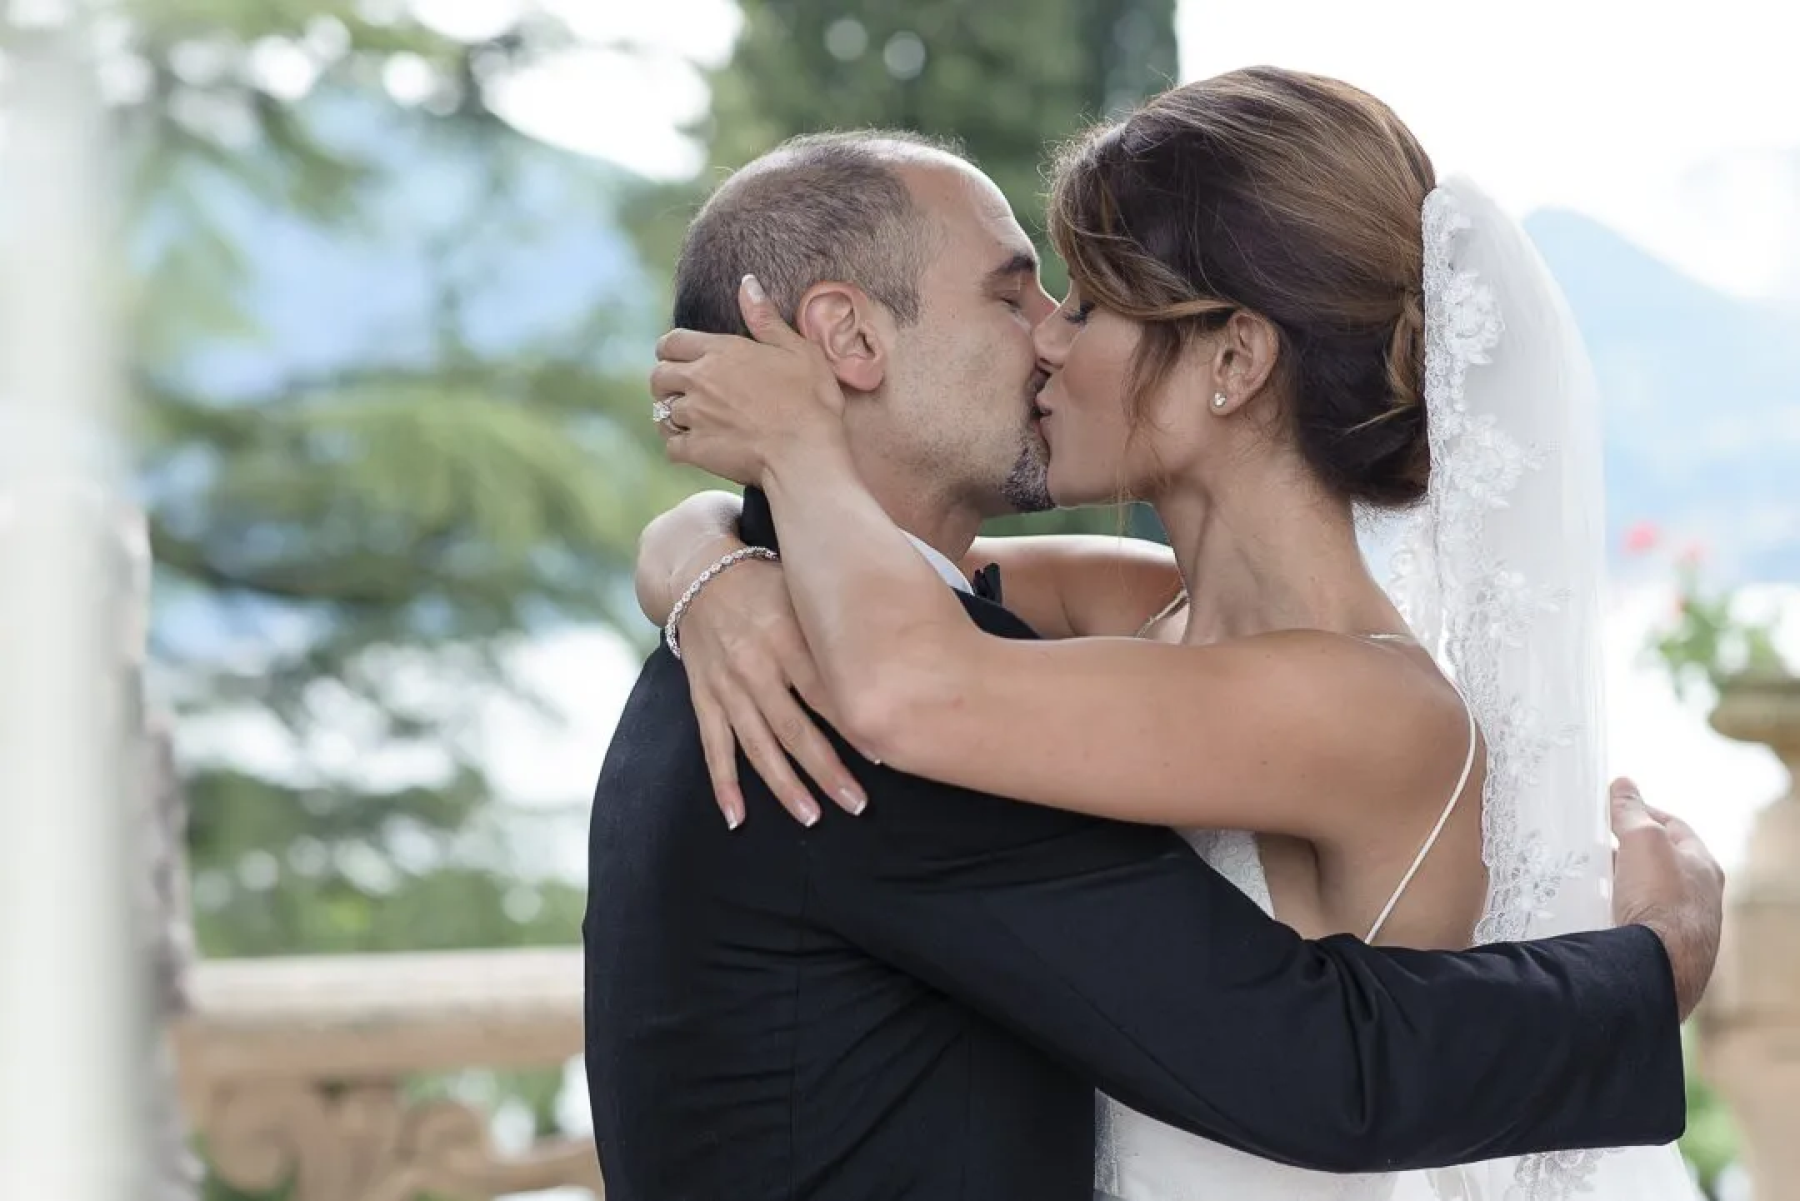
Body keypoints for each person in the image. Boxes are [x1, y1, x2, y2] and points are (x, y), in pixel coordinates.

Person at [587, 106, 1720, 1201]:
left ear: (1234, 358)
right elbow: (915, 628)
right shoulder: (1094, 611)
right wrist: (708, 562)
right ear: (849, 337)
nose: (1047, 337)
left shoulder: (1342, 696)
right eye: (1019, 294)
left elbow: (1328, 1061)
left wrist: (1649, 963)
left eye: (1083, 302)